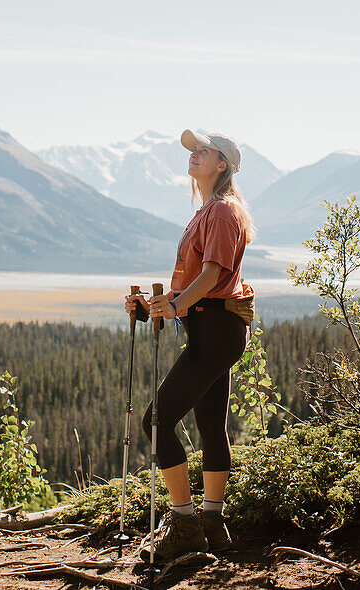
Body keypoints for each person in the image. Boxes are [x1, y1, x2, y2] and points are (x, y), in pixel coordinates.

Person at [124, 129, 255, 561]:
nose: (194, 155)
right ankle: (212, 525)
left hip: (214, 327)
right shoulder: (210, 211)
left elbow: (212, 276)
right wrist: (151, 307)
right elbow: (193, 283)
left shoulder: (219, 212)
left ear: (223, 164)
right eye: (193, 150)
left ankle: (184, 525)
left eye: (203, 151)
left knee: (156, 422)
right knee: (211, 426)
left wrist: (175, 306)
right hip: (211, 327)